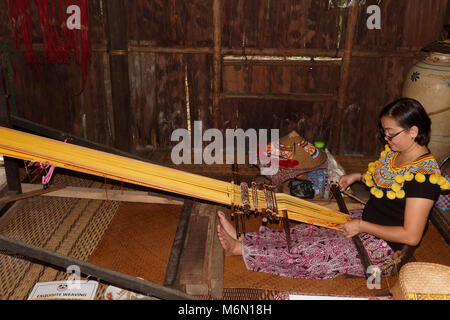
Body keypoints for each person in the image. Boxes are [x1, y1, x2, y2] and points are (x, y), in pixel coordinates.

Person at [217, 98, 448, 279]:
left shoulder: (424, 178)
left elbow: (412, 235)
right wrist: (356, 176)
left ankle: (239, 249)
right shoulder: (400, 154)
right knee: (307, 230)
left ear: (413, 132)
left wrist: (361, 225)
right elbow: (388, 179)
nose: (386, 138)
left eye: (391, 133)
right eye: (384, 132)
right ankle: (243, 238)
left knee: (313, 252)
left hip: (383, 249)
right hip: (366, 222)